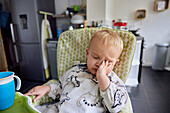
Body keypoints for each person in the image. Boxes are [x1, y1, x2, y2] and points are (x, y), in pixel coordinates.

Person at [25, 30, 129, 113]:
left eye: (107, 62)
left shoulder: (113, 81)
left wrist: (102, 78)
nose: (100, 64)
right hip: (61, 109)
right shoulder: (75, 70)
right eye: (95, 57)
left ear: (115, 62)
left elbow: (116, 106)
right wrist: (47, 88)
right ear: (87, 53)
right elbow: (61, 87)